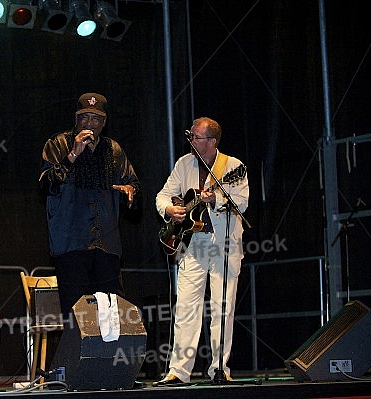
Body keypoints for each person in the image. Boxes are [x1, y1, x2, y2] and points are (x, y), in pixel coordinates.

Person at [153, 117, 249, 385]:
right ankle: (178, 371)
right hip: (192, 243)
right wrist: (170, 210)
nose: (192, 141)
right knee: (185, 309)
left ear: (212, 141)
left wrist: (216, 198)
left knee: (223, 307)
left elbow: (241, 202)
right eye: (191, 136)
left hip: (225, 244)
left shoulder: (233, 167)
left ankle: (220, 369)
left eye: (196, 137)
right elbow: (162, 195)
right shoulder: (184, 164)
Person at [39, 92, 141, 318]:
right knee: (76, 317)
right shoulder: (58, 144)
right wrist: (73, 154)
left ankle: (108, 355)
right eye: (84, 117)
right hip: (71, 245)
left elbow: (132, 183)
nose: (89, 124)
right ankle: (75, 355)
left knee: (110, 316)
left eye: (95, 119)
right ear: (76, 119)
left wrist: (131, 192)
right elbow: (46, 184)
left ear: (104, 123)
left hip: (106, 244)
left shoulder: (113, 150)